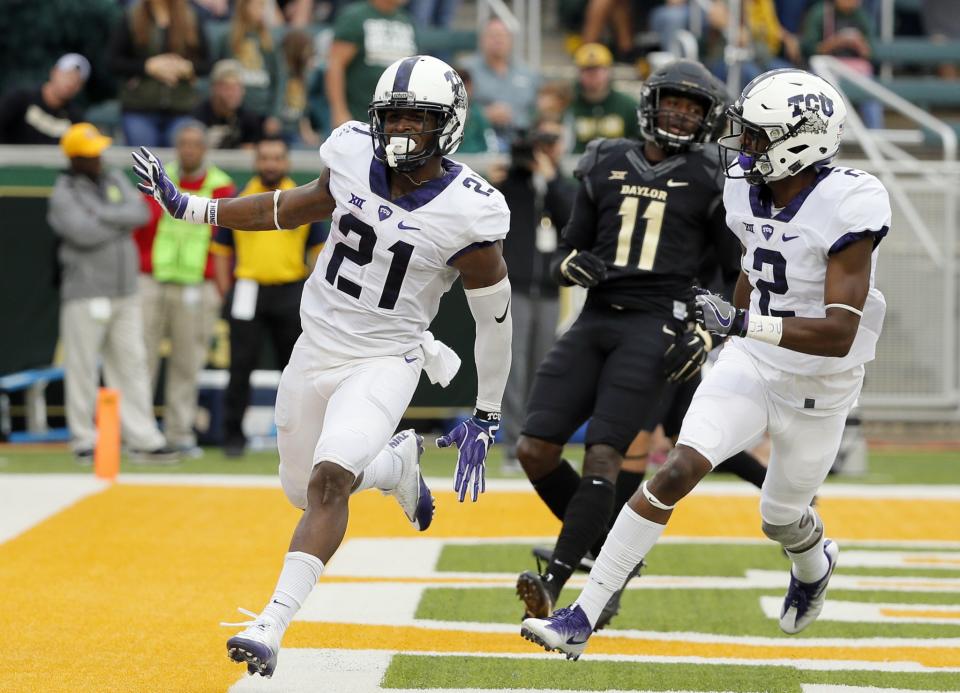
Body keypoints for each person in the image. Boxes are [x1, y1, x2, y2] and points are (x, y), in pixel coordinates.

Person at [132, 55, 512, 678]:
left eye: (418, 120)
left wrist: (488, 411)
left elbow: (494, 320)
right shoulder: (351, 154)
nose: (402, 132)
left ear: (448, 125)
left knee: (330, 480)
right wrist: (193, 209)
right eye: (393, 118)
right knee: (299, 488)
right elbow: (289, 207)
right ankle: (394, 464)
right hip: (315, 347)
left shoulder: (472, 212)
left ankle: (270, 623)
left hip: (386, 358)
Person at [520, 67, 889, 658]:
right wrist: (723, 332)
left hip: (822, 382)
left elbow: (839, 332)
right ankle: (581, 617)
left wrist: (740, 323)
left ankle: (813, 561)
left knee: (780, 515)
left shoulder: (851, 201)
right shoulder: (744, 181)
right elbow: (749, 267)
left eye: (758, 135)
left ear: (800, 141)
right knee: (675, 471)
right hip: (752, 361)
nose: (742, 145)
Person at [512, 59, 738, 627]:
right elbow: (569, 251)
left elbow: (732, 273)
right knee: (533, 449)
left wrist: (707, 331)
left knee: (606, 455)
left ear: (708, 119)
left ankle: (556, 580)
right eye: (674, 103)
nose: (682, 115)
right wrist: (573, 264)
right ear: (650, 104)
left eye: (694, 108)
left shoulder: (714, 176)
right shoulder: (604, 159)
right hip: (595, 318)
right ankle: (615, 551)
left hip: (657, 323)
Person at [48, 123, 178, 464]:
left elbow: (140, 213)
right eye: (91, 156)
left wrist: (102, 215)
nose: (98, 159)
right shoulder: (63, 192)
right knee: (82, 366)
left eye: (99, 152)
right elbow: (80, 232)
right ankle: (84, 439)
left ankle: (143, 439)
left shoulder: (114, 178)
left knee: (133, 364)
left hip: (126, 289)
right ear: (75, 159)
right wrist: (117, 219)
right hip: (86, 290)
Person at [211, 137, 326, 458]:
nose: (271, 164)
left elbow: (318, 252)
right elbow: (221, 251)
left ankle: (302, 440)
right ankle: (233, 437)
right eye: (265, 158)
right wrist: (226, 291)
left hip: (290, 290)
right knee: (239, 367)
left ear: (286, 162)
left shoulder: (303, 198)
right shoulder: (238, 199)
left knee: (295, 369)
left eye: (277, 157)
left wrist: (313, 295)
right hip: (247, 289)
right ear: (256, 161)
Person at [135, 121, 235, 456]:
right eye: (184, 143)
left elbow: (226, 240)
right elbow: (141, 225)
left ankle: (179, 432)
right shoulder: (158, 178)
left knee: (187, 363)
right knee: (141, 360)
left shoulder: (222, 185)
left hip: (197, 283)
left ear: (205, 148)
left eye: (195, 143)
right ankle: (139, 433)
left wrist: (219, 285)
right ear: (177, 147)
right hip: (153, 278)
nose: (189, 149)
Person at [495, 120, 576, 473]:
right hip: (515, 285)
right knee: (514, 368)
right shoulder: (512, 184)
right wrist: (519, 166)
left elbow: (572, 219)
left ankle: (536, 443)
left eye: (552, 140)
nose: (544, 147)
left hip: (548, 288)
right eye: (541, 140)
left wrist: (552, 177)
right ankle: (513, 445)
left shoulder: (564, 185)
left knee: (543, 368)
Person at [109, 0, 211, 147]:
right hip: (140, 107)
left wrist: (186, 67)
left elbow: (208, 63)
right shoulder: (132, 15)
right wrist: (148, 66)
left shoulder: (191, 15)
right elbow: (113, 62)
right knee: (145, 160)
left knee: (181, 156)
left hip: (181, 107)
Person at [325, 0, 418, 127]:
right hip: (359, 117)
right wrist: (339, 111)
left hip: (396, 119)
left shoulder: (407, 20)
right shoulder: (355, 17)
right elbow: (335, 65)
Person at [459, 18, 540, 151]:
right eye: (493, 35)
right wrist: (483, 114)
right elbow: (452, 108)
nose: (498, 40)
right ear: (481, 40)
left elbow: (536, 109)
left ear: (511, 40)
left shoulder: (528, 73)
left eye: (503, 36)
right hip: (478, 139)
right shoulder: (466, 70)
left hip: (522, 138)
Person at [566, 43, 640, 154]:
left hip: (619, 167)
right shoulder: (567, 104)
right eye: (587, 70)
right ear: (579, 73)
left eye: (598, 69)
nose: (592, 75)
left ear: (609, 71)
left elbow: (641, 142)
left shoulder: (627, 105)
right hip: (574, 166)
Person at [0, 53, 89, 145]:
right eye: (67, 75)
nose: (71, 83)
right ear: (54, 72)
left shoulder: (76, 119)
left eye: (77, 80)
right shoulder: (20, 99)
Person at [193, 59, 265, 149]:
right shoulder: (199, 115)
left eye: (236, 88)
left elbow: (250, 152)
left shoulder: (249, 119)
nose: (232, 94)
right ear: (214, 89)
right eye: (227, 88)